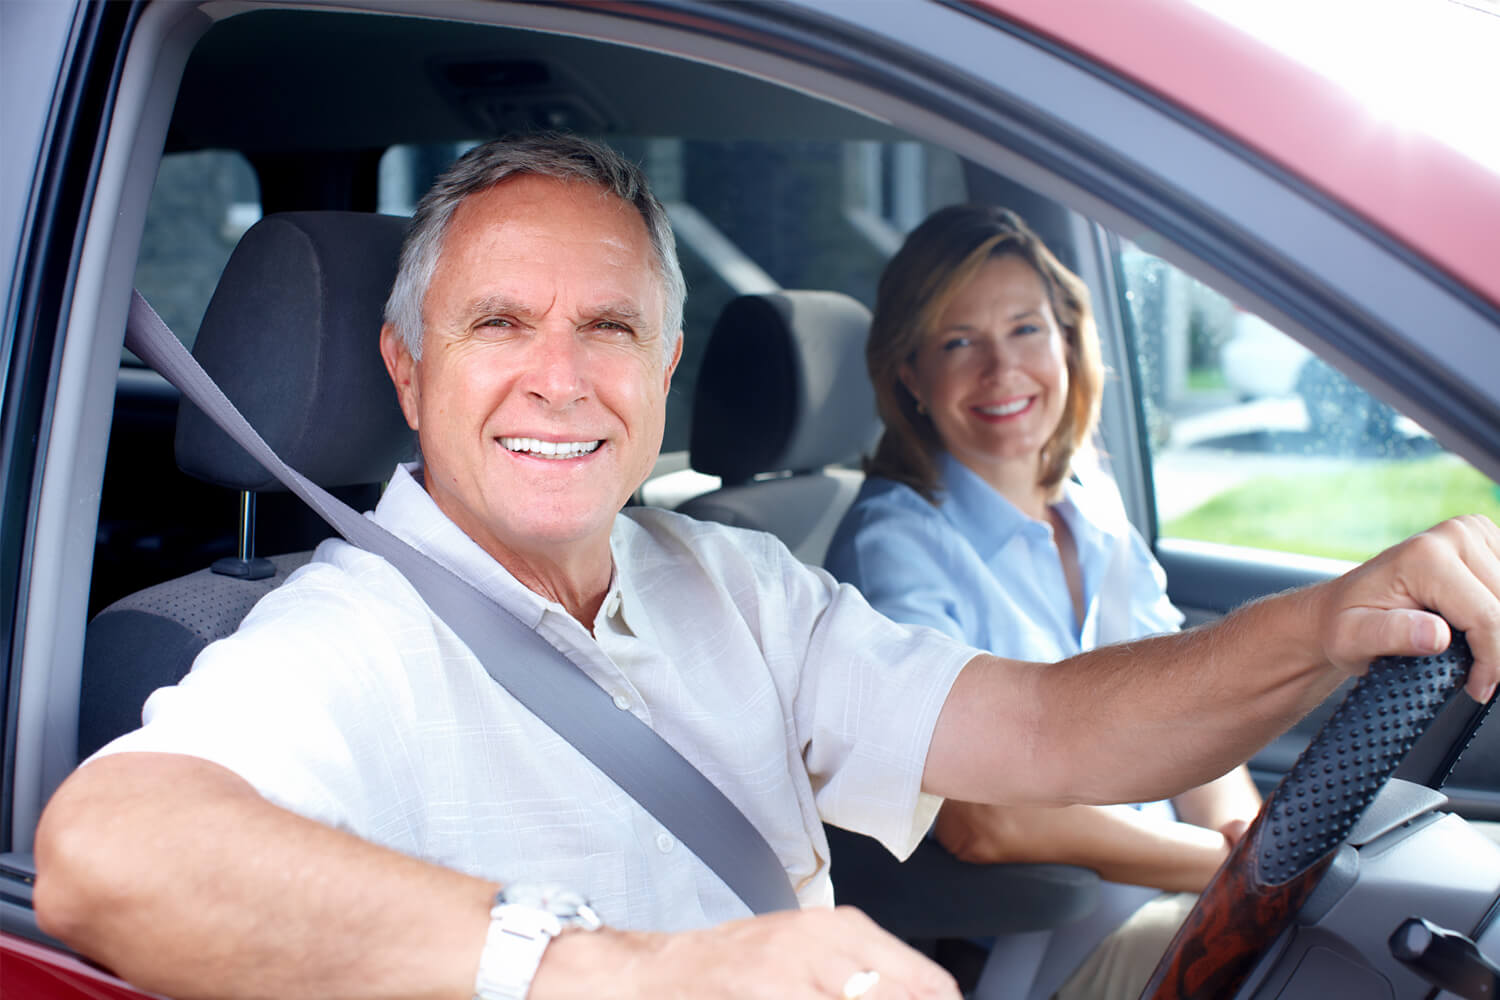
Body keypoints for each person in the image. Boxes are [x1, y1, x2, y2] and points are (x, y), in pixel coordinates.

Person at [32, 133, 1500, 1000]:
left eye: (608, 328)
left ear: (666, 365)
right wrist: (631, 971)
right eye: (497, 326)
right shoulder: (349, 639)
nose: (561, 380)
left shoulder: (726, 578)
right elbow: (110, 854)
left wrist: (1328, 619)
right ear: (406, 374)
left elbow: (1051, 727)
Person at [824, 204, 1260, 1000]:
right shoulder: (893, 550)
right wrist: (1234, 870)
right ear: (911, 375)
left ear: (1067, 339)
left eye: (1025, 330)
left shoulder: (1091, 508)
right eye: (959, 343)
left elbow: (1199, 719)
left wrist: (1250, 841)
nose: (1002, 371)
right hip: (1049, 944)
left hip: (1171, 893)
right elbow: (987, 824)